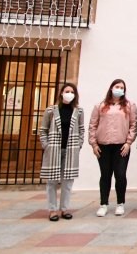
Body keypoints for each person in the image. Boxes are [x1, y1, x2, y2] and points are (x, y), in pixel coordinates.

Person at [89, 78, 137, 217]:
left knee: (120, 175)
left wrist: (128, 142)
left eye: (122, 88)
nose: (119, 89)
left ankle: (120, 203)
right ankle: (103, 204)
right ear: (111, 88)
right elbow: (93, 125)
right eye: (117, 87)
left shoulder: (129, 105)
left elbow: (134, 124)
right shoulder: (100, 105)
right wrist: (94, 144)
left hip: (121, 146)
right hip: (103, 146)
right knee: (105, 175)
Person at [40, 82, 84, 221]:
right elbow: (43, 130)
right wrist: (46, 145)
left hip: (70, 150)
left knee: (68, 181)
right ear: (61, 93)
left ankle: (64, 209)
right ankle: (52, 210)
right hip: (54, 150)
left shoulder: (78, 111)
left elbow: (81, 129)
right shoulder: (51, 110)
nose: (69, 94)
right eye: (67, 91)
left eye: (72, 92)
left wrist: (79, 144)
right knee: (52, 181)